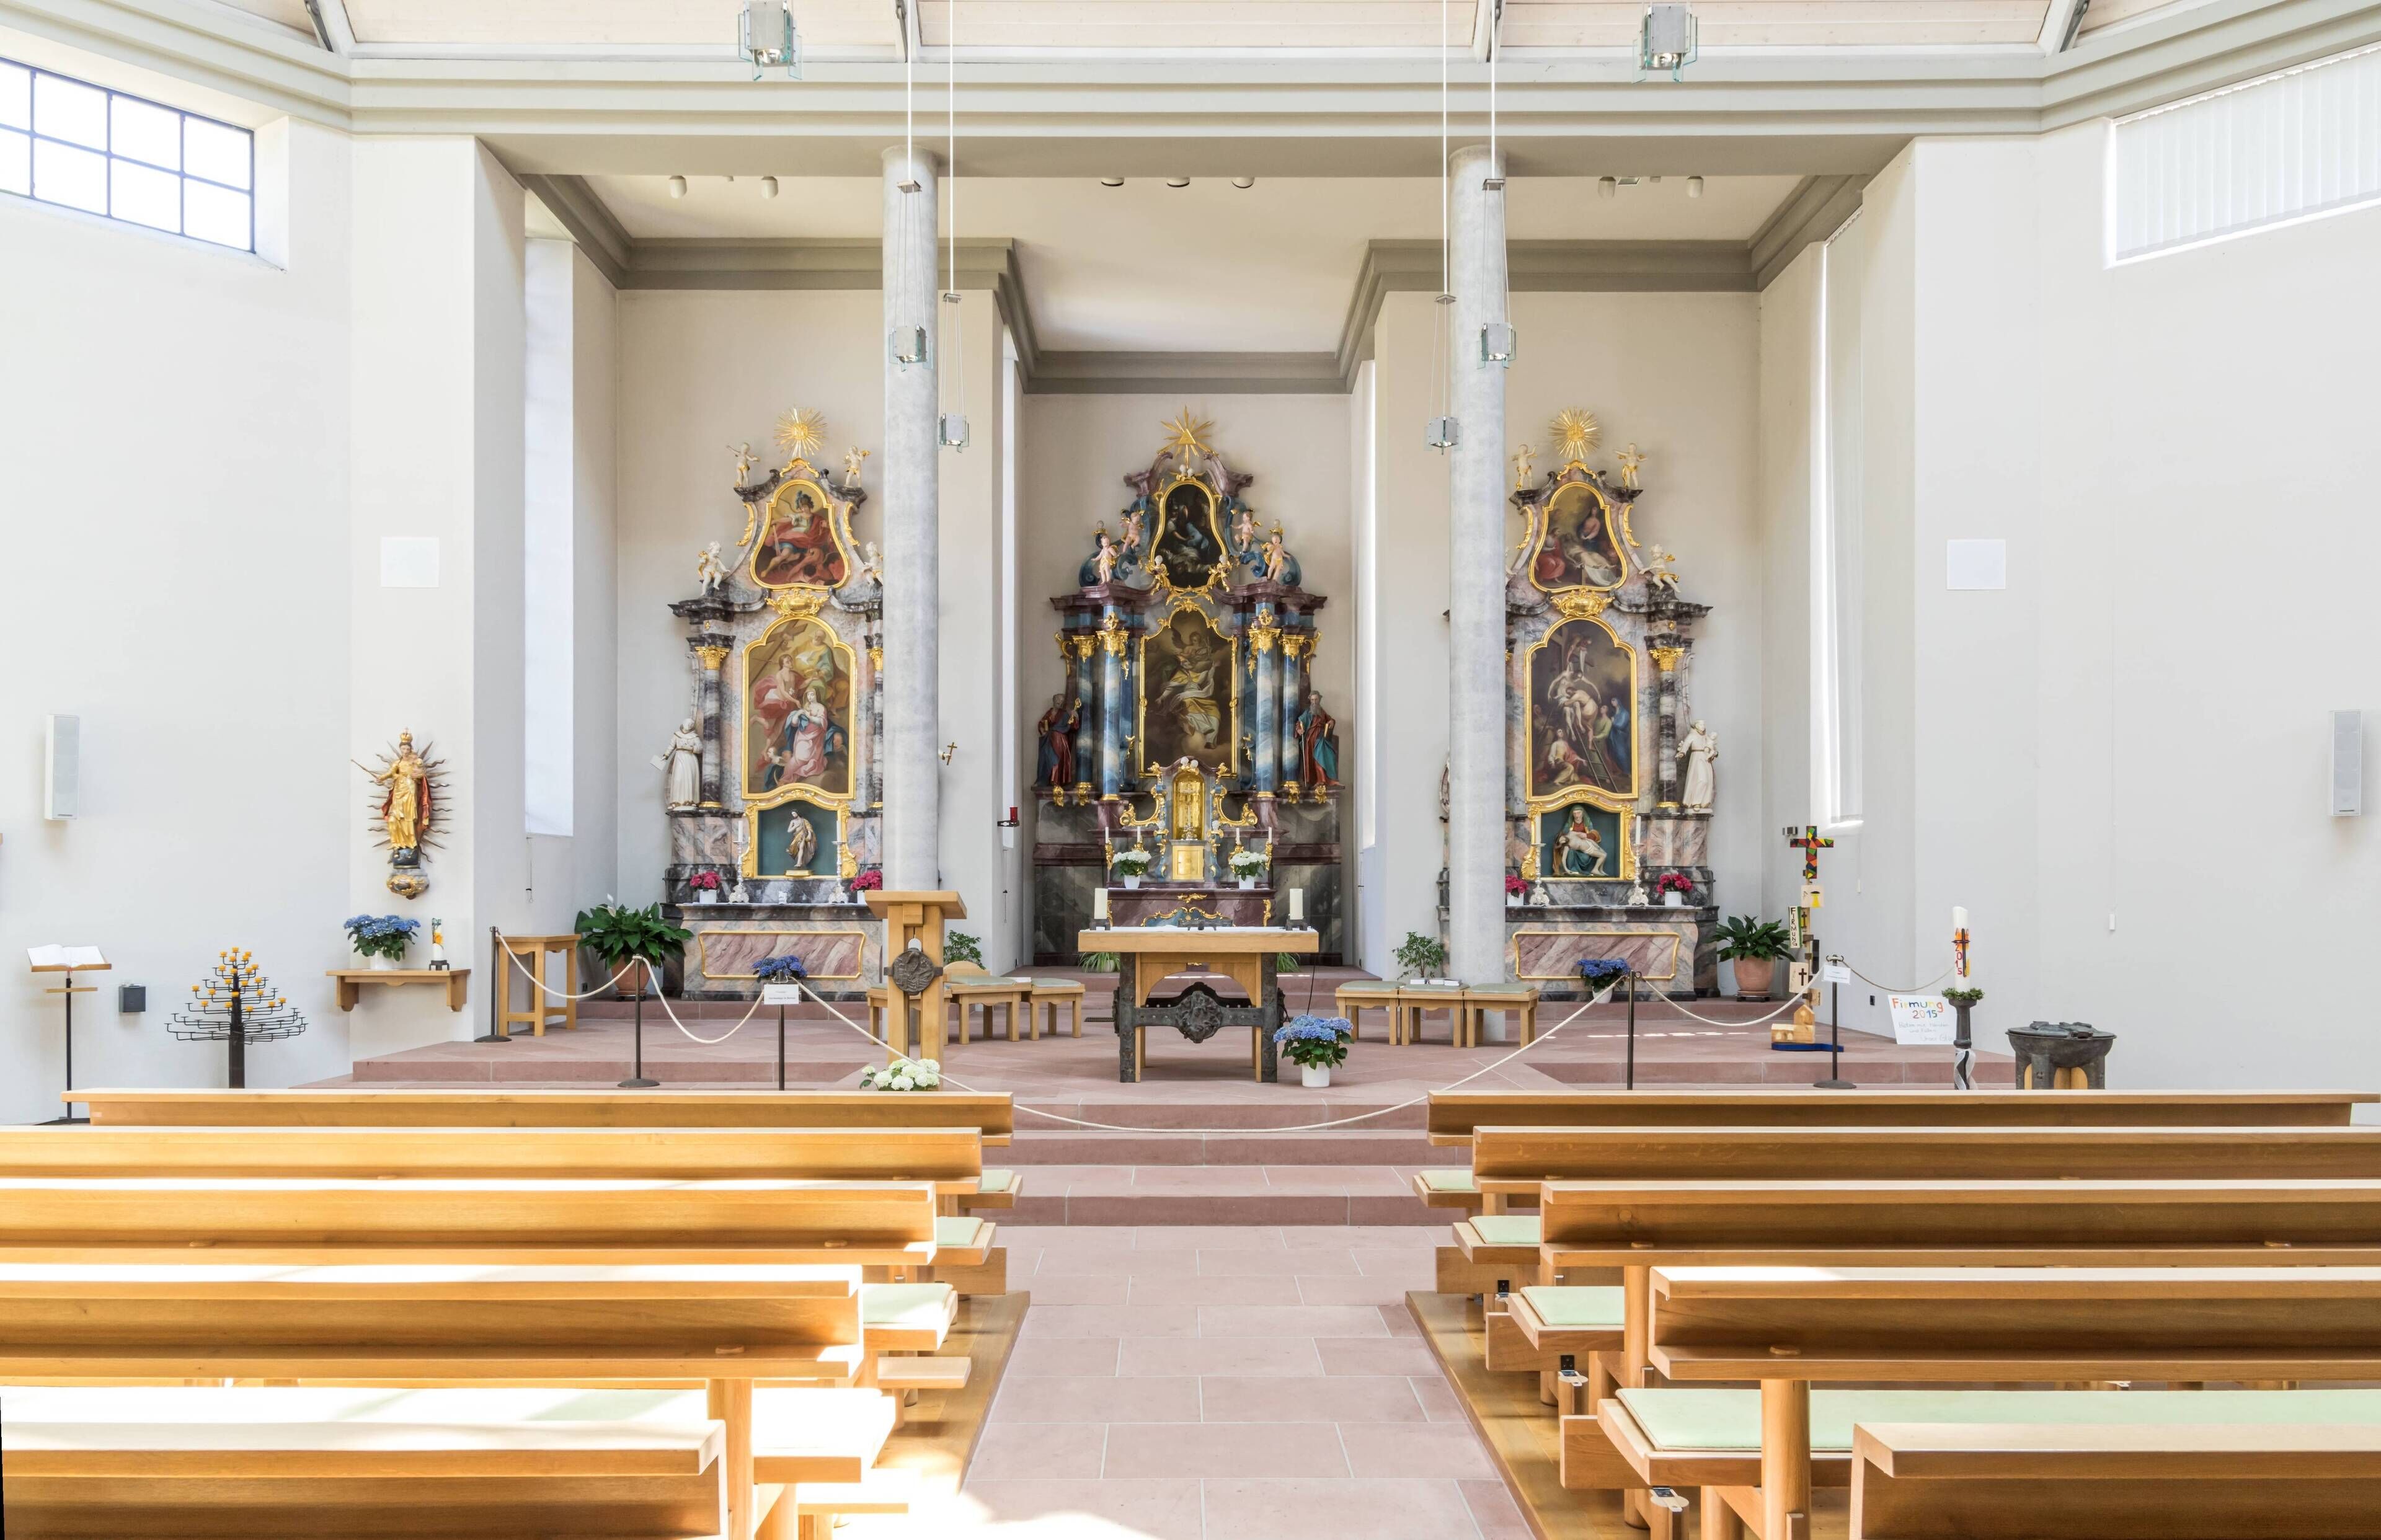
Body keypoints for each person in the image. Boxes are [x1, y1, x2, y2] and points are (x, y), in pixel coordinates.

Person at [1556, 806, 1609, 877]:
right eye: (1575, 814)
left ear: (1583, 813)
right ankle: (1573, 869)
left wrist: (1586, 835)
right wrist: (1567, 870)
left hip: (1588, 842)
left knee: (1604, 853)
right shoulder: (1567, 844)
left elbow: (1592, 835)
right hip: (1585, 849)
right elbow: (1563, 858)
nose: (1577, 816)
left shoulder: (1576, 831)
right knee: (1602, 855)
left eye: (1579, 813)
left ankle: (1600, 870)